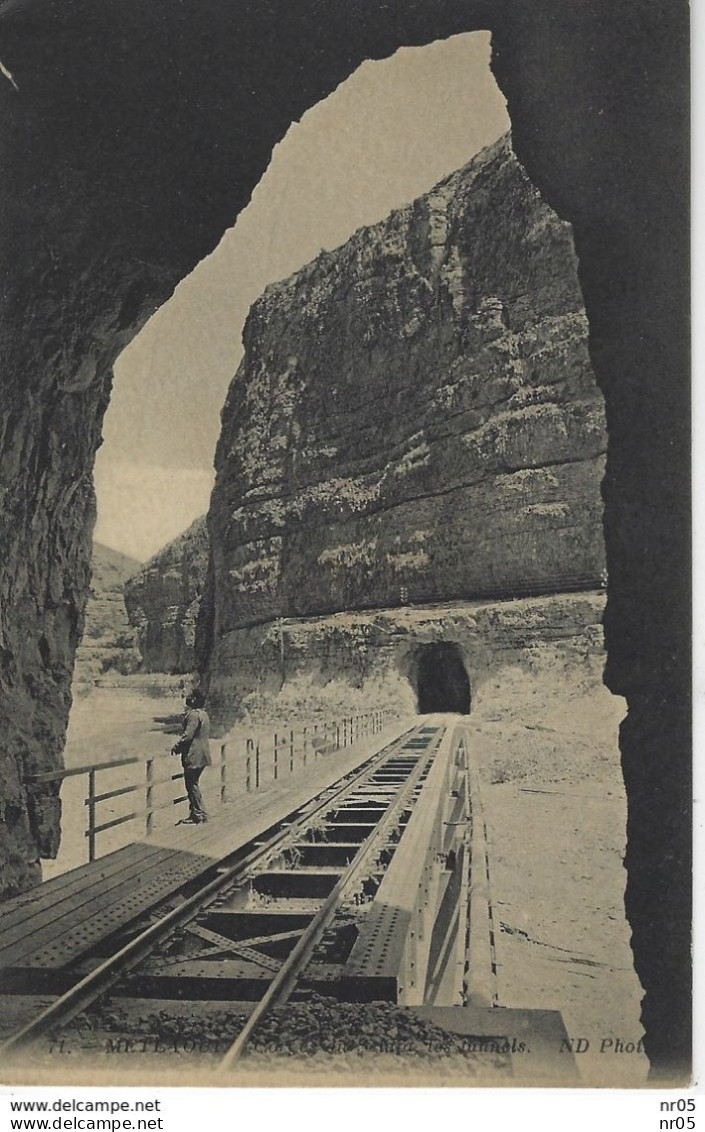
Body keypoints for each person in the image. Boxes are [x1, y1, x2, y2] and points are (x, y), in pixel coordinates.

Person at [171, 689, 212, 824]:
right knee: (194, 784)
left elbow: (187, 736)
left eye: (189, 697)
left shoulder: (193, 715)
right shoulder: (204, 714)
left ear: (193, 700)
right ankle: (200, 812)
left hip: (194, 755)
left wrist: (176, 748)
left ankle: (198, 814)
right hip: (203, 755)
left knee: (191, 784)